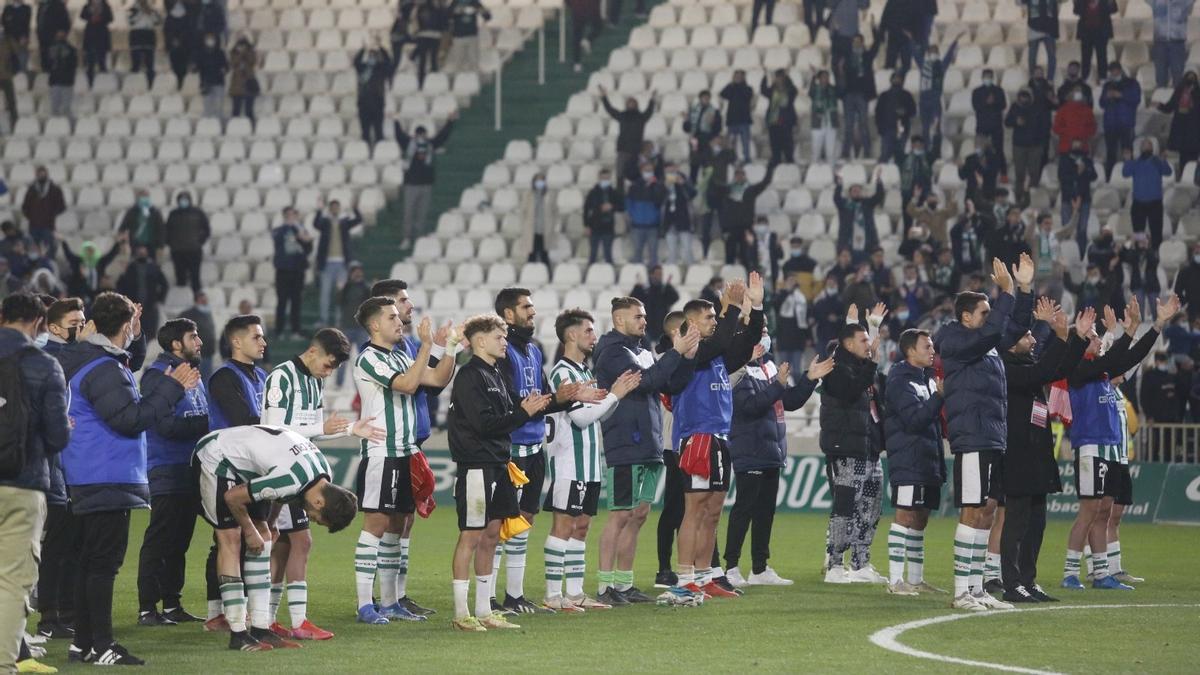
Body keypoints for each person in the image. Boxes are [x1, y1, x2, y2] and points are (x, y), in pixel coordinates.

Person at [60, 292, 201, 665]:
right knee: (103, 564)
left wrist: (132, 335)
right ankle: (102, 644)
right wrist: (173, 389)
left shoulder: (90, 360)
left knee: (91, 562)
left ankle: (85, 643)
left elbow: (122, 367)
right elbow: (129, 419)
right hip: (105, 474)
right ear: (124, 326)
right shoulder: (103, 368)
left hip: (90, 472)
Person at [489, 289, 604, 614]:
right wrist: (559, 399)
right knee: (499, 524)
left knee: (523, 521)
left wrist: (561, 397)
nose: (532, 312)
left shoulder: (535, 351)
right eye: (526, 307)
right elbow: (506, 400)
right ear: (508, 315)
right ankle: (489, 598)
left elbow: (540, 398)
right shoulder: (502, 351)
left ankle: (514, 595)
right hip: (509, 448)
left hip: (535, 447)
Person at [196, 424, 357, 651]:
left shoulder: (322, 476)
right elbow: (233, 497)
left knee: (264, 537)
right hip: (217, 458)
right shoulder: (292, 479)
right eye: (318, 519)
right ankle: (238, 634)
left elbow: (283, 493)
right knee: (231, 538)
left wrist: (269, 524)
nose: (312, 520)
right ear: (320, 503)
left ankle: (261, 629)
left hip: (249, 466)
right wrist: (249, 530)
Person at [934, 254, 1035, 611]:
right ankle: (962, 590)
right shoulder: (954, 340)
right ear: (965, 317)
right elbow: (997, 331)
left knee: (987, 511)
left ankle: (976, 589)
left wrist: (1023, 290)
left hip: (991, 435)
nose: (990, 319)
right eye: (984, 313)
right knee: (973, 510)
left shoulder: (987, 341)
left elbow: (1016, 328)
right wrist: (1005, 292)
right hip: (973, 435)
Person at [263, 329, 374, 638]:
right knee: (295, 542)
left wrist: (350, 428)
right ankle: (288, 622)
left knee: (287, 545)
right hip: (278, 472)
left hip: (298, 472)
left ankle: (273, 619)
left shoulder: (316, 380)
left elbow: (313, 431)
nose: (330, 371)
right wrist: (321, 426)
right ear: (313, 352)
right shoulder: (281, 377)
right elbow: (273, 429)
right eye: (328, 364)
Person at [1062, 295, 1176, 590]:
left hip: (1112, 449)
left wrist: (1157, 325)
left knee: (1103, 512)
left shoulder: (1101, 374)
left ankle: (1102, 574)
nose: (1099, 341)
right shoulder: (1077, 370)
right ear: (1081, 343)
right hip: (1090, 448)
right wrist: (1127, 330)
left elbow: (1130, 357)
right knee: (1088, 512)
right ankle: (1070, 572)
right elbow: (1116, 358)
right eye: (1094, 338)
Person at [351, 300, 454, 625]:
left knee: (397, 527)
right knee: (376, 526)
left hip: (407, 452)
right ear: (374, 326)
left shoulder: (398, 355)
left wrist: (450, 346)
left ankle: (391, 602)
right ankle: (365, 605)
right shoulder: (369, 358)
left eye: (399, 316)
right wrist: (426, 344)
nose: (399, 322)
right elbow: (408, 385)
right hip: (383, 453)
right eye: (392, 317)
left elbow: (437, 379)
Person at [446, 314, 550, 632]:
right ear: (480, 341)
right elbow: (484, 425)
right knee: (471, 536)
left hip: (499, 464)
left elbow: (517, 408)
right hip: (477, 466)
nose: (505, 341)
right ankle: (462, 613)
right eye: (498, 337)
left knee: (492, 535)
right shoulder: (469, 376)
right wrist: (522, 413)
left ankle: (484, 608)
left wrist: (561, 400)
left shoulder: (495, 374)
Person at [594, 296, 698, 603]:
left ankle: (624, 584)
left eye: (643, 316)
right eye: (637, 317)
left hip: (650, 442)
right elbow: (647, 381)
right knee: (619, 514)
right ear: (619, 321)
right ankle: (604, 587)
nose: (644, 321)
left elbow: (669, 385)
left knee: (639, 514)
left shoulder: (641, 350)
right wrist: (675, 352)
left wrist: (687, 357)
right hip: (626, 441)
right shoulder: (612, 352)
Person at [671, 276, 765, 597]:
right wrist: (733, 308)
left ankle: (706, 575)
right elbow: (724, 341)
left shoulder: (717, 356)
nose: (715, 320)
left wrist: (755, 309)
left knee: (713, 512)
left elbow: (746, 342)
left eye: (715, 316)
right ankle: (684, 581)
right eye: (709, 316)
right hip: (698, 438)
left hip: (719, 438)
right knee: (695, 510)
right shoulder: (691, 352)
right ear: (691, 323)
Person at [541, 310, 641, 611]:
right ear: (571, 335)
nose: (593, 337)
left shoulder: (584, 372)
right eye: (588, 331)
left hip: (589, 462)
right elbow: (582, 418)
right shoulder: (562, 372)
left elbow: (599, 414)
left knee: (581, 526)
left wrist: (614, 396)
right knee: (564, 525)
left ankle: (574, 593)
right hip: (569, 462)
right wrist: (614, 395)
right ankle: (551, 595)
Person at [999, 301, 1089, 603]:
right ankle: (1011, 583)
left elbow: (1060, 369)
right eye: (1027, 336)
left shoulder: (1027, 365)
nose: (1033, 340)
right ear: (1012, 345)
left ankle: (1028, 580)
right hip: (1017, 454)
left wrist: (1076, 339)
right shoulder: (1007, 369)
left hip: (1037, 453)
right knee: (1016, 521)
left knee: (1036, 522)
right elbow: (1046, 369)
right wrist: (1061, 336)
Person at [0, 294, 69, 673]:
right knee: (11, 583)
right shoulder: (45, 365)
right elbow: (58, 438)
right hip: (22, 484)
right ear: (41, 323)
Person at [726, 339, 830, 587]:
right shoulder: (736, 369)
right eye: (758, 331)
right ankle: (730, 568)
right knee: (744, 509)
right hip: (749, 447)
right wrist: (779, 385)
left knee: (765, 512)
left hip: (772, 449)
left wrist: (809, 379)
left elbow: (790, 401)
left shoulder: (770, 365)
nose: (763, 335)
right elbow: (749, 407)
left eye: (764, 330)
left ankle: (759, 569)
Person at [135, 319, 210, 626]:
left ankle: (171, 604)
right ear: (176, 344)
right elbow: (162, 425)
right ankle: (146, 608)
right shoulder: (157, 376)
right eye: (193, 336)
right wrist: (207, 427)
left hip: (190, 467)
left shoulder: (193, 375)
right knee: (160, 538)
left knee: (180, 540)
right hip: (165, 466)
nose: (200, 341)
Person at [820, 304, 887, 584]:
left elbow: (875, 402)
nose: (868, 345)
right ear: (848, 344)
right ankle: (835, 564)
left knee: (870, 508)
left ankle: (861, 563)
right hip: (846, 451)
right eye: (863, 341)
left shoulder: (863, 369)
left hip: (869, 450)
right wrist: (871, 361)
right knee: (845, 508)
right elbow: (849, 391)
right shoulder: (835, 368)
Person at [882, 328, 947, 595]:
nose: (932, 351)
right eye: (927, 347)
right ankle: (896, 581)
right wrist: (939, 396)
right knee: (905, 515)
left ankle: (916, 579)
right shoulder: (899, 380)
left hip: (928, 459)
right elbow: (914, 420)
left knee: (921, 519)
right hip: (908, 459)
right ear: (911, 351)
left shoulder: (927, 378)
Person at [37, 298, 85, 641]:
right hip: (55, 462)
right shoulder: (51, 358)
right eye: (75, 323)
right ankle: (49, 615)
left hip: (72, 460)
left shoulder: (69, 353)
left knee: (71, 541)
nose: (81, 328)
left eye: (84, 321)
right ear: (53, 328)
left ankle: (65, 611)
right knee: (57, 542)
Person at [396, 115, 455, 249]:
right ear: (415, 135)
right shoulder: (409, 145)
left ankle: (418, 238)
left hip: (426, 185)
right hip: (411, 185)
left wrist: (450, 122)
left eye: (423, 135)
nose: (422, 137)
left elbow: (442, 137)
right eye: (420, 135)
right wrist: (396, 122)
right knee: (408, 213)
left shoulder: (430, 146)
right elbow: (399, 136)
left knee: (422, 214)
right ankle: (406, 238)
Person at [714, 164, 776, 268]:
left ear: (745, 176)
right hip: (731, 228)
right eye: (737, 175)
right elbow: (715, 185)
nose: (739, 177)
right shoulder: (727, 190)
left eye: (741, 175)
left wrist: (770, 169)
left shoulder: (750, 190)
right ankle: (730, 277)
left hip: (746, 228)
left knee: (747, 256)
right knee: (730, 256)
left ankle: (747, 277)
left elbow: (765, 183)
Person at [313, 200, 362, 326]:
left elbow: (358, 220)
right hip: (327, 264)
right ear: (330, 209)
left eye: (336, 207)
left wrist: (355, 209)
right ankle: (323, 319)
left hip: (342, 264)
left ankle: (339, 320)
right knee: (325, 294)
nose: (335, 210)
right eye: (333, 208)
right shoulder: (325, 222)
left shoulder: (344, 222)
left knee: (341, 294)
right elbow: (316, 224)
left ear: (339, 209)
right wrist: (319, 211)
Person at [599, 86, 656, 184]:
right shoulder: (622, 116)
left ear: (637, 105)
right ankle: (620, 197)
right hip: (622, 151)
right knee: (620, 176)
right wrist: (604, 97)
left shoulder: (641, 117)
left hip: (636, 152)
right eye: (629, 102)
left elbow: (649, 111)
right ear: (626, 104)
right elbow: (610, 110)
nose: (631, 104)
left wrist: (652, 100)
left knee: (635, 176)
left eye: (633, 103)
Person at [836, 31, 879, 160]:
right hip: (848, 94)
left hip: (862, 94)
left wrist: (874, 30)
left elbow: (876, 47)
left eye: (859, 41)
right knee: (848, 125)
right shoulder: (846, 57)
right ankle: (845, 153)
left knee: (863, 124)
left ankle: (867, 152)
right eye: (854, 41)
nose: (856, 43)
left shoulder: (867, 56)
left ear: (862, 42)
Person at [271, 207, 314, 340]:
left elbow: (308, 248)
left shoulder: (301, 230)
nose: (291, 217)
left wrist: (300, 234)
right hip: (283, 270)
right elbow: (277, 241)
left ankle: (296, 330)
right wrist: (289, 228)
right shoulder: (279, 230)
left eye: (293, 215)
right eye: (288, 215)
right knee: (282, 301)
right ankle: (279, 331)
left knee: (296, 302)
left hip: (297, 270)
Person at [1122, 140, 1174, 248]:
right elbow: (1125, 173)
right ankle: (1140, 255)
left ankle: (1155, 256)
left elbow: (1168, 172)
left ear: (1152, 149)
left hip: (1155, 203)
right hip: (1138, 203)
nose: (1146, 148)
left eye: (1148, 146)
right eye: (1144, 146)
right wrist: (1127, 160)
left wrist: (1164, 160)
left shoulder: (1157, 162)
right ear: (1140, 149)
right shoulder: (1135, 163)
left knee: (1156, 233)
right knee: (1139, 234)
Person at [116, 245, 169, 340]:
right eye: (140, 253)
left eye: (143, 253)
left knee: (150, 333)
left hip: (150, 305)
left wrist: (159, 299)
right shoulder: (130, 268)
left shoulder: (154, 267)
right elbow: (122, 285)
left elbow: (164, 284)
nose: (142, 255)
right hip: (134, 305)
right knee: (134, 332)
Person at [1006, 89, 1047, 207]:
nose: (1024, 99)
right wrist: (1016, 121)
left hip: (1035, 145)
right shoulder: (1015, 107)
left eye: (1026, 96)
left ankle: (1031, 197)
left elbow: (1044, 125)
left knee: (1034, 172)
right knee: (1019, 173)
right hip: (1019, 145)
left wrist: (1040, 141)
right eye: (1022, 96)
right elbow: (1007, 122)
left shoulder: (1037, 108)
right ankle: (1018, 198)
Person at [1057, 139, 1098, 257]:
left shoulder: (1087, 160)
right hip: (1067, 199)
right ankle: (1065, 254)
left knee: (1082, 229)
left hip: (1084, 200)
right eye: (1075, 145)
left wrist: (1085, 171)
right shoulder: (1064, 160)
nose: (1077, 147)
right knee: (1066, 229)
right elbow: (1063, 178)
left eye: (1079, 145)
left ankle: (1081, 255)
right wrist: (1077, 173)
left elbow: (1094, 176)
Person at [915, 36, 959, 142]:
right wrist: (911, 40)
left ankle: (936, 151)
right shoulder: (923, 65)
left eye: (936, 51)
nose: (934, 53)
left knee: (936, 127)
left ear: (938, 53)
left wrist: (955, 41)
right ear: (928, 54)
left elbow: (948, 56)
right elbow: (915, 54)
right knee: (925, 128)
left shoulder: (941, 66)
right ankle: (924, 151)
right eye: (931, 51)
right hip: (923, 102)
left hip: (935, 102)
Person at [834, 168, 885, 260]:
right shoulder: (845, 205)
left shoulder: (867, 203)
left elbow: (879, 196)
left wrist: (878, 180)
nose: (856, 192)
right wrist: (839, 183)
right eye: (854, 190)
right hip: (848, 244)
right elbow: (836, 198)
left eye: (858, 190)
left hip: (867, 243)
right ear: (849, 193)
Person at [1099, 63, 1140, 179]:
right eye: (1111, 71)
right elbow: (1101, 103)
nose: (1113, 73)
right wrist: (1107, 96)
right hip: (1110, 124)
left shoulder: (1132, 83)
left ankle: (1130, 177)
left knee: (1127, 151)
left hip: (1126, 123)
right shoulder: (1107, 85)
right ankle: (1109, 177)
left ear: (1120, 70)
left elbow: (1136, 99)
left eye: (1115, 70)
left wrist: (1121, 95)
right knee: (1111, 153)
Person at [165, 191, 211, 293]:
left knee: (195, 278)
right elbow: (167, 231)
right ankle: (182, 300)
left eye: (185, 199)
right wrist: (171, 243)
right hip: (178, 251)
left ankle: (196, 300)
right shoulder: (173, 214)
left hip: (194, 251)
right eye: (181, 199)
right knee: (180, 278)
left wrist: (199, 242)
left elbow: (206, 229)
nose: (183, 202)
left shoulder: (198, 212)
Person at [1158, 71, 1200, 178]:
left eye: (1192, 78)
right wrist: (1159, 105)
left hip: (1194, 130)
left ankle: (1193, 178)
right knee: (1183, 157)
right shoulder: (1179, 91)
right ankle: (1183, 176)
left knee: (1193, 157)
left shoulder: (1198, 92)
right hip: (1181, 130)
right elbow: (1170, 106)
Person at [625, 163, 667, 266]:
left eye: (650, 170)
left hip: (652, 226)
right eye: (646, 170)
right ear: (641, 171)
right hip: (637, 225)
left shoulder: (659, 185)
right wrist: (633, 216)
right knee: (637, 252)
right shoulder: (634, 186)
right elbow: (629, 204)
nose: (648, 173)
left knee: (653, 253)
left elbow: (661, 202)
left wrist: (654, 186)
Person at [20, 167, 65, 257]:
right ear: (36, 175)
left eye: (43, 173)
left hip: (48, 226)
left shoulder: (54, 189)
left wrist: (52, 215)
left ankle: (49, 266)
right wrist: (31, 216)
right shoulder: (31, 189)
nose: (41, 176)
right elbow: (25, 206)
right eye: (39, 174)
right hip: (33, 225)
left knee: (49, 249)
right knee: (32, 249)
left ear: (47, 174)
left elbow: (62, 206)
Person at [354, 39, 392, 145]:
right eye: (370, 55)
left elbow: (388, 61)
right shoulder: (363, 68)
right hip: (363, 103)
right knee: (365, 133)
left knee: (379, 132)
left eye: (374, 55)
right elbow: (356, 62)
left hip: (377, 102)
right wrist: (363, 50)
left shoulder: (381, 69)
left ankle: (379, 152)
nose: (372, 58)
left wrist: (381, 48)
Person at [1151, 0, 1194, 88]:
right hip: (1160, 42)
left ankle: (1177, 99)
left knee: (1178, 76)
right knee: (1160, 75)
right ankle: (1161, 97)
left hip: (1178, 42)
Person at [973, 70, 1008, 176]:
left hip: (996, 125)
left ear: (992, 78)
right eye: (985, 77)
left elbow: (1003, 105)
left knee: (998, 150)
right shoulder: (977, 91)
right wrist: (986, 103)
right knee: (980, 151)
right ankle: (980, 173)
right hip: (982, 126)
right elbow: (975, 106)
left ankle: (1003, 174)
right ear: (982, 77)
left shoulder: (998, 90)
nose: (987, 79)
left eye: (989, 77)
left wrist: (994, 102)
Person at [631, 265, 679, 342]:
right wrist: (638, 287)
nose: (659, 276)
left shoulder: (664, 290)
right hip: (647, 327)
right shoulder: (645, 290)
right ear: (651, 275)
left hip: (662, 327)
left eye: (661, 274)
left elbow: (675, 298)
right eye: (657, 274)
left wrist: (669, 286)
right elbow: (633, 300)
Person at [683, 90, 723, 183]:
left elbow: (718, 129)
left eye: (707, 98)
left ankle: (707, 187)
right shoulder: (692, 111)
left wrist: (713, 123)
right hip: (695, 140)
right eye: (704, 98)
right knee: (694, 165)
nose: (706, 99)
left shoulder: (714, 112)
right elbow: (687, 129)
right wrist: (686, 121)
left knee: (707, 166)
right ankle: (693, 186)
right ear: (700, 98)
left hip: (707, 140)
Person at [519, 173, 558, 266]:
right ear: (534, 182)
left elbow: (555, 211)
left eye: (541, 180)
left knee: (544, 255)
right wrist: (524, 226)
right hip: (532, 229)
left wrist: (554, 225)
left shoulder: (550, 194)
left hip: (545, 229)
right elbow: (523, 212)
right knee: (531, 255)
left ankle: (548, 276)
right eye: (537, 180)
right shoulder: (528, 195)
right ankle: (529, 275)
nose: (539, 182)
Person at [875, 72, 915, 163]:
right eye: (895, 78)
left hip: (902, 130)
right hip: (887, 131)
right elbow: (878, 113)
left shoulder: (907, 95)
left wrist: (905, 112)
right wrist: (880, 129)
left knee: (900, 157)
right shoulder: (884, 96)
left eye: (899, 78)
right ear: (891, 80)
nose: (897, 80)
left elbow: (913, 111)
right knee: (884, 156)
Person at [583, 169, 620, 265]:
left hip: (608, 226)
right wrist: (586, 225)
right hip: (595, 226)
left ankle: (611, 275)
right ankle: (589, 274)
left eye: (607, 178)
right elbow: (586, 209)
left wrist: (612, 206)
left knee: (608, 254)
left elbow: (621, 206)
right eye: (603, 178)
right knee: (593, 254)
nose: (605, 180)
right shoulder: (593, 192)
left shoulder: (614, 192)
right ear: (599, 178)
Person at [661, 165, 696, 265]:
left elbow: (693, 193)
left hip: (683, 220)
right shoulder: (662, 182)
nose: (671, 173)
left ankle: (691, 270)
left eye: (672, 170)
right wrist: (665, 187)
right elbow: (658, 198)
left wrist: (683, 183)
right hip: (669, 221)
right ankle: (672, 271)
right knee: (671, 251)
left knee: (687, 249)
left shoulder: (683, 180)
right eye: (668, 171)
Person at [1074, 0, 1117, 81]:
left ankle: (1103, 79)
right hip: (1086, 32)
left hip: (1101, 32)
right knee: (1085, 58)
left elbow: (1114, 10)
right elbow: (1076, 11)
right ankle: (1084, 79)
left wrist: (1110, 3)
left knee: (1102, 57)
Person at [444, 0, 490, 73]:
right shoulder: (455, 2)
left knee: (474, 62)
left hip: (472, 36)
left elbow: (487, 16)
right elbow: (446, 16)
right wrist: (456, 11)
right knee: (458, 62)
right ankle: (458, 81)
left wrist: (481, 11)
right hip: (458, 36)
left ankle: (474, 81)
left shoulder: (475, 2)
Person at [180, 291, 217, 380]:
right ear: (196, 301)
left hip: (208, 353)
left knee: (206, 380)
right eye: (202, 301)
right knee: (195, 380)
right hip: (195, 354)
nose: (205, 303)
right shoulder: (188, 314)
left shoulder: (207, 313)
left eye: (206, 301)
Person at [720, 70, 755, 161]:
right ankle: (731, 158)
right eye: (736, 76)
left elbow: (748, 96)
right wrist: (732, 84)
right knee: (731, 142)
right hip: (732, 120)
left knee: (745, 142)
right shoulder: (731, 88)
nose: (738, 78)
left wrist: (739, 85)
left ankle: (747, 158)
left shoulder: (748, 88)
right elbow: (723, 94)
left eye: (740, 76)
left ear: (743, 77)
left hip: (744, 120)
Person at [1053, 84, 1097, 155]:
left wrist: (1081, 137)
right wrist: (1070, 136)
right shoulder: (1063, 110)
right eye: (1075, 91)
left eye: (1079, 92)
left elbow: (1092, 128)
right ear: (1070, 94)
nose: (1077, 94)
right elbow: (1056, 128)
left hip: (1082, 147)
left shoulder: (1087, 110)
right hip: (1066, 148)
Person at [118, 190, 165, 255]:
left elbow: (161, 229)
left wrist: (160, 246)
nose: (144, 199)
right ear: (138, 198)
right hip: (135, 244)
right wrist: (123, 243)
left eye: (146, 197)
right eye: (142, 197)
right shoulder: (132, 212)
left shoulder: (155, 212)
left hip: (151, 245)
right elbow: (122, 228)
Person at [411, 0, 445, 88]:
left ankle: (428, 83)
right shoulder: (423, 8)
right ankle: (423, 83)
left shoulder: (436, 8)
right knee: (427, 60)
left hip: (431, 35)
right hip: (427, 35)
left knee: (430, 60)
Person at [806, 69, 837, 163]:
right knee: (816, 152)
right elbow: (811, 90)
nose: (826, 79)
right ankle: (814, 174)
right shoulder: (815, 90)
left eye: (827, 77)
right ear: (819, 79)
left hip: (831, 124)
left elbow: (841, 87)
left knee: (830, 153)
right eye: (823, 77)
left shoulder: (833, 89)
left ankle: (830, 174)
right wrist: (813, 76)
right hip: (817, 124)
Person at [79, 0, 112, 87]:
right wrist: (91, 18)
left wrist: (101, 19)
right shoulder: (87, 6)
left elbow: (110, 18)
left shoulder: (106, 6)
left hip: (102, 35)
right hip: (90, 35)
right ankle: (90, 83)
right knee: (90, 63)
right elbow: (82, 15)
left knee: (102, 61)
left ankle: (103, 84)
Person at [127, 0, 159, 86]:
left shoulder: (152, 9)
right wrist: (141, 12)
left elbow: (156, 21)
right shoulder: (132, 9)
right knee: (136, 62)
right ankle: (134, 84)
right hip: (136, 35)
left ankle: (150, 84)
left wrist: (149, 12)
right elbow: (131, 21)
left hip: (148, 35)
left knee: (149, 63)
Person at [162, 0, 193, 89]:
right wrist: (172, 40)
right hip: (173, 46)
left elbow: (188, 31)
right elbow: (166, 31)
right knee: (175, 64)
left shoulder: (187, 16)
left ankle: (182, 81)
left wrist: (180, 40)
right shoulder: (169, 17)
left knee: (183, 65)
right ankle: (178, 81)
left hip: (184, 46)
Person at [228, 34, 259, 123]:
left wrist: (245, 52)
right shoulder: (234, 52)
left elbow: (252, 61)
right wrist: (240, 54)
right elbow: (233, 63)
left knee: (249, 111)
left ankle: (252, 128)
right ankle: (234, 128)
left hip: (248, 84)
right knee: (235, 111)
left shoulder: (250, 51)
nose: (242, 46)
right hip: (236, 86)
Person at [196, 33, 228, 120]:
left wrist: (224, 70)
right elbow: (198, 68)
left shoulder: (220, 53)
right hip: (206, 83)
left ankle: (218, 125)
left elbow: (226, 67)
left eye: (211, 39)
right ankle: (207, 126)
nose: (210, 41)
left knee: (219, 107)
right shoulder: (201, 53)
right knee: (207, 107)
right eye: (208, 39)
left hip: (218, 82)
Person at [1024, 0, 1059, 78]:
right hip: (1034, 27)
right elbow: (1019, 2)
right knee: (1032, 55)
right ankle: (1033, 77)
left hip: (1050, 27)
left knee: (1052, 55)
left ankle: (1050, 78)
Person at [565, 0, 600, 73]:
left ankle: (577, 63)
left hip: (577, 7)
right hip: (590, 6)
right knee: (598, 26)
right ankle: (588, 40)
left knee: (577, 35)